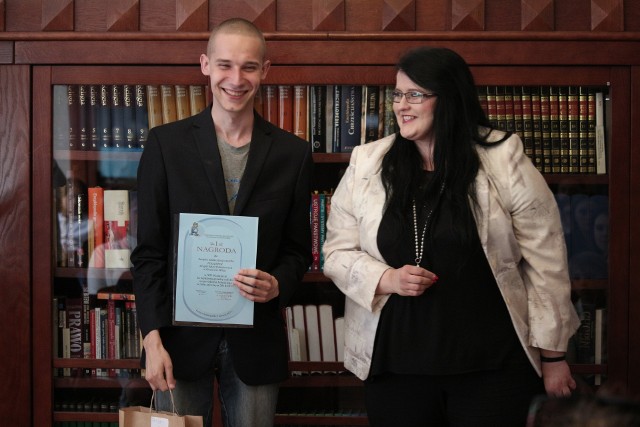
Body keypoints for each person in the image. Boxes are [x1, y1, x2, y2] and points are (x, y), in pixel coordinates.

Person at [322, 46, 581, 427]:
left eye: (415, 94)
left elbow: (546, 262)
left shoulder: (503, 158)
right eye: (397, 94)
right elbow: (335, 252)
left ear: (450, 99)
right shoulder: (367, 162)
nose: (401, 105)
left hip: (491, 368)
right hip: (397, 368)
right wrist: (386, 278)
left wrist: (554, 356)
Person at [131, 18, 313, 427]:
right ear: (205, 65)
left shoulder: (293, 154)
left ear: (265, 72)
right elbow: (148, 253)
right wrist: (151, 340)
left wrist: (279, 282)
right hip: (176, 342)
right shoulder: (166, 145)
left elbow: (298, 250)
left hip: (256, 341)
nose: (236, 78)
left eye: (249, 67)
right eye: (225, 65)